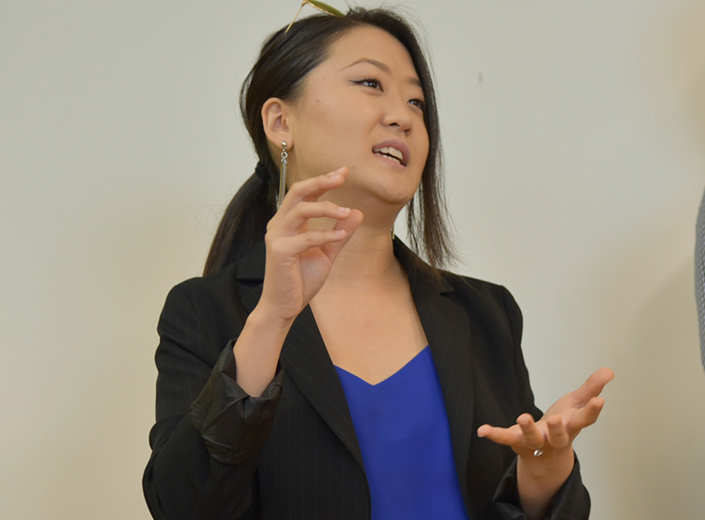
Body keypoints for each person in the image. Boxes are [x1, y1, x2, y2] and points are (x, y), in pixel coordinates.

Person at [142, 6, 614, 520]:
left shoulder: (487, 312)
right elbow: (185, 508)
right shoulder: (207, 311)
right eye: (370, 83)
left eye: (417, 101)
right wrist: (272, 321)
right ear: (281, 121)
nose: (403, 116)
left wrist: (544, 473)